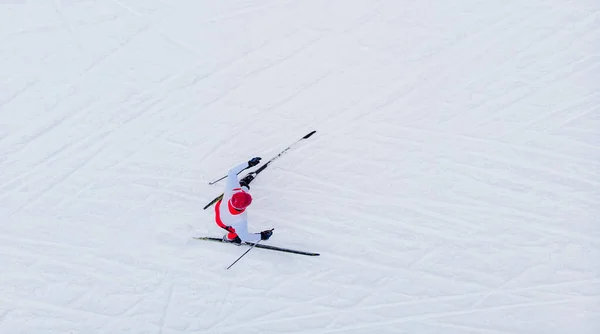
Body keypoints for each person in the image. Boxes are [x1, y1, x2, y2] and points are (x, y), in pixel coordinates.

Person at [214, 157, 273, 245]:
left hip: (219, 206)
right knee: (235, 232)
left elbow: (232, 172)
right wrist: (262, 236)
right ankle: (228, 239)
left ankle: (243, 184)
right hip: (222, 222)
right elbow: (245, 237)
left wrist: (248, 164)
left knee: (242, 188)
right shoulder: (240, 220)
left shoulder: (232, 191)